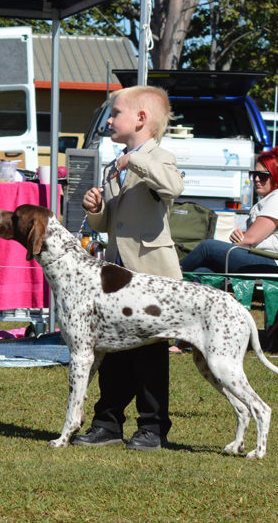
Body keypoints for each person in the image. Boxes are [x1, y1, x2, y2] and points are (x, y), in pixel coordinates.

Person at [74, 85, 185, 451]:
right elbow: (109, 225)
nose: (108, 120)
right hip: (118, 275)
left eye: (115, 113)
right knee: (115, 350)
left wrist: (132, 161)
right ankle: (107, 422)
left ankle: (153, 428)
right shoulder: (115, 163)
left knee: (150, 353)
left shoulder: (159, 157)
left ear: (141, 119)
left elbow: (172, 186)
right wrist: (95, 209)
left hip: (153, 276)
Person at [181, 145, 278, 274]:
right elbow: (255, 237)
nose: (256, 179)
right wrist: (242, 236)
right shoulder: (276, 198)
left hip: (273, 263)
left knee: (208, 247)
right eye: (254, 174)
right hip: (262, 258)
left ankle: (170, 279)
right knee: (204, 272)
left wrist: (239, 242)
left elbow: (251, 240)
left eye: (263, 176)